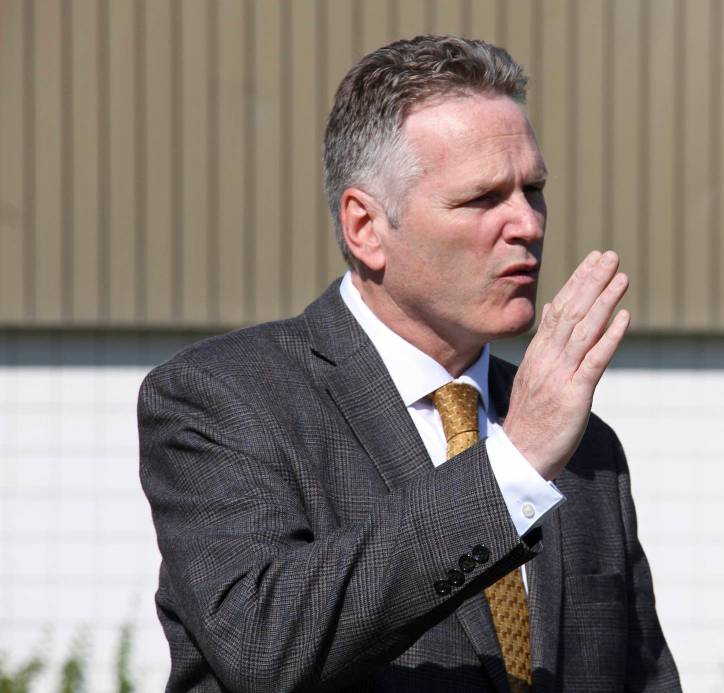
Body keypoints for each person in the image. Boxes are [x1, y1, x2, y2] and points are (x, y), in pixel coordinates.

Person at [139, 35, 681, 692]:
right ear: (366, 227)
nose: (527, 224)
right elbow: (265, 643)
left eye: (532, 189)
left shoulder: (584, 447)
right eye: (483, 198)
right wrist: (510, 470)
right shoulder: (223, 398)